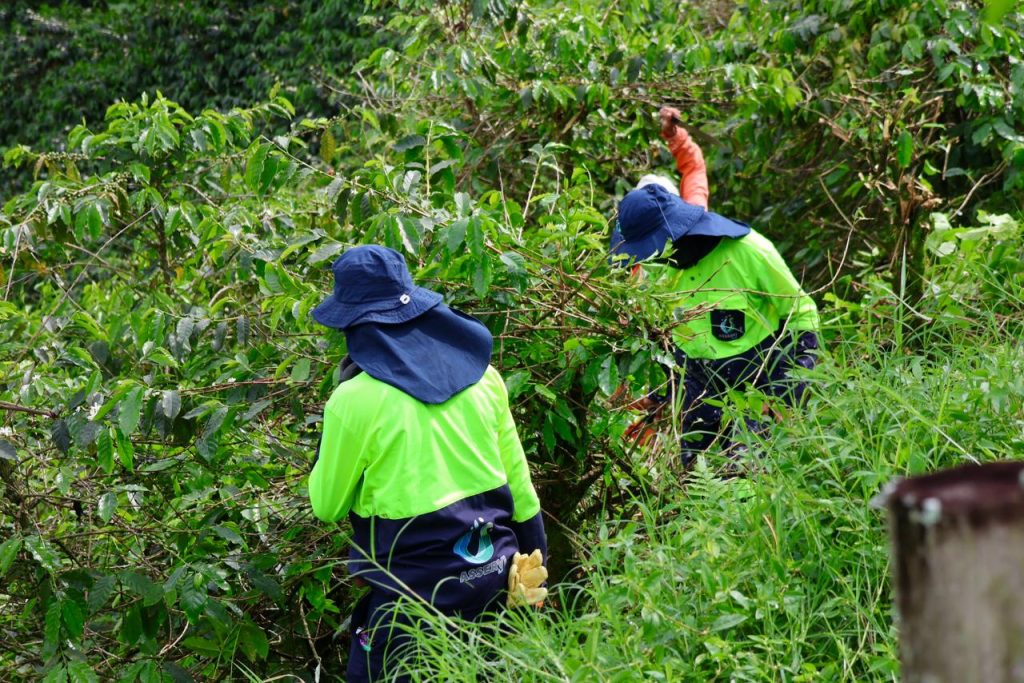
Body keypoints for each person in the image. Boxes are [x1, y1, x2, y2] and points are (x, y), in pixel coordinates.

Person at [307, 245, 547, 682]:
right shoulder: (484, 378)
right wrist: (536, 567)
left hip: (411, 605)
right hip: (495, 579)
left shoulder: (354, 401)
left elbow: (327, 506)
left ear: (354, 325)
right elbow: (521, 488)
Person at [612, 107, 820, 462]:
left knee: (745, 475)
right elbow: (672, 341)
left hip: (757, 376)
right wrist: (662, 399)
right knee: (696, 481)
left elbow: (801, 312)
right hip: (699, 384)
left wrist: (789, 390)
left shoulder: (749, 250)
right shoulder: (659, 270)